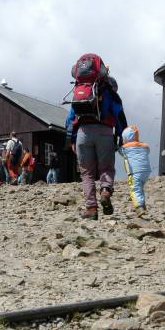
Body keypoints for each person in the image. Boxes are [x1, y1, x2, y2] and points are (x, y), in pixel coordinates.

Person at [65, 74, 127, 220]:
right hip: (105, 132)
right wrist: (121, 136)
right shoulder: (111, 95)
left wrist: (72, 140)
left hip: (82, 133)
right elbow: (119, 116)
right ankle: (105, 191)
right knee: (106, 168)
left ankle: (92, 208)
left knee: (87, 173)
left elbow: (70, 119)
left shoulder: (82, 93)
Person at [118, 125, 152, 217]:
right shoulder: (144, 146)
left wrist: (118, 145)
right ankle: (143, 205)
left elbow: (120, 151)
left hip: (134, 171)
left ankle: (139, 207)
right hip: (146, 171)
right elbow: (147, 150)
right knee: (140, 188)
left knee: (134, 189)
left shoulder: (125, 148)